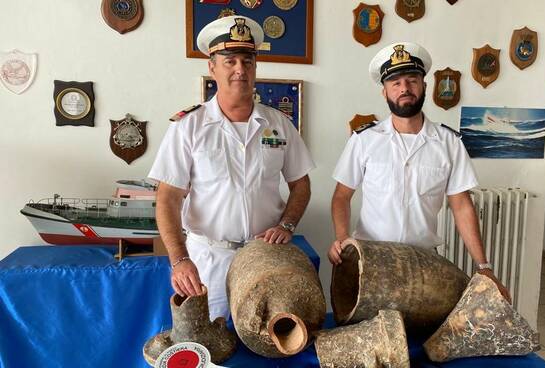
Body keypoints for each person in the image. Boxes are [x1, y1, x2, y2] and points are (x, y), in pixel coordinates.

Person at [149, 16, 315, 320]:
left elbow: (300, 184)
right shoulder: (189, 127)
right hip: (208, 263)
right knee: (212, 347)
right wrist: (178, 260)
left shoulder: (279, 124)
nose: (240, 69)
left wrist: (287, 224)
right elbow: (167, 198)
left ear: (255, 67)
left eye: (248, 60)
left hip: (265, 260)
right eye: (230, 60)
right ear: (212, 67)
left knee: (265, 341)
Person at [328, 42, 511, 302]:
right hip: (371, 262)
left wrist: (484, 267)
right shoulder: (364, 140)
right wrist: (342, 238)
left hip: (424, 264)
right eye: (396, 82)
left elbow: (461, 206)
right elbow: (341, 196)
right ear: (385, 92)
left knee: (421, 338)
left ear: (424, 85)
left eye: (412, 80)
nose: (404, 88)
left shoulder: (449, 143)